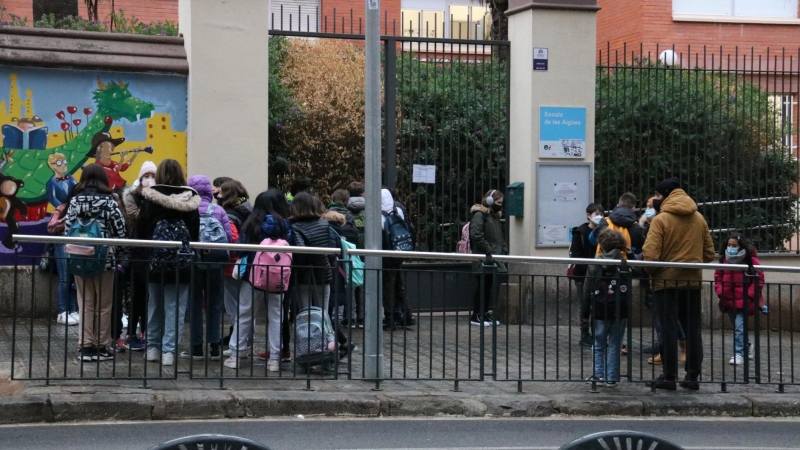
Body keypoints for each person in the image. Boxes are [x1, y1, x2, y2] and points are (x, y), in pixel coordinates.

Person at [643, 177, 715, 391]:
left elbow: (651, 254)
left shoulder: (661, 220)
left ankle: (669, 376)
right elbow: (709, 254)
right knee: (693, 331)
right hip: (692, 282)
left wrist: (654, 273)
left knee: (667, 330)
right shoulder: (699, 218)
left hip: (665, 283)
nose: (655, 199)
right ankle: (692, 377)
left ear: (666, 195)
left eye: (657, 195)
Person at [136, 159, 200, 367]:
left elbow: (142, 229)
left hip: (154, 261)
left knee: (154, 304)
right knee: (175, 307)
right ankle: (169, 352)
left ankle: (152, 348)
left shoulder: (150, 197)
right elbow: (194, 234)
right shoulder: (190, 198)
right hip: (181, 262)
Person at [62, 164, 127, 362]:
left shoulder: (75, 200)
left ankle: (85, 346)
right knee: (104, 304)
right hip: (104, 258)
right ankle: (101, 346)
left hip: (80, 257)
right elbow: (121, 230)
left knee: (85, 302)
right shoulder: (110, 201)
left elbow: (67, 230)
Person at [225, 189, 293, 371]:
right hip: (279, 277)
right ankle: (275, 360)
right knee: (276, 317)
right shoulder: (285, 225)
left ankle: (236, 356)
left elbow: (240, 249)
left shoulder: (252, 223)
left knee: (245, 314)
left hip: (253, 275)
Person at [182, 175, 233, 361]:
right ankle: (214, 347)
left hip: (194, 262)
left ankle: (196, 348)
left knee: (194, 303)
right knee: (215, 304)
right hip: (215, 262)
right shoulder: (218, 210)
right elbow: (228, 238)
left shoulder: (188, 209)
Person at [584, 229, 630, 388]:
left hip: (599, 309)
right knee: (615, 344)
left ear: (601, 246)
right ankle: (612, 378)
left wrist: (584, 313)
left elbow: (586, 290)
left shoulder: (594, 265)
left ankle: (598, 376)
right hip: (620, 310)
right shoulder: (625, 264)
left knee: (598, 344)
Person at [714, 233, 766, 366]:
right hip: (728, 300)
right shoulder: (723, 260)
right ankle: (747, 345)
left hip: (744, 300)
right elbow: (718, 277)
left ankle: (739, 354)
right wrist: (720, 291)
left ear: (741, 246)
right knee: (737, 326)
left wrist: (749, 295)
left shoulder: (751, 261)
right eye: (729, 245)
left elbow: (758, 279)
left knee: (739, 327)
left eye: (734, 245)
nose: (731, 248)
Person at [121, 161, 157, 352]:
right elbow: (136, 219)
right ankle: (132, 333)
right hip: (136, 251)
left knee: (150, 294)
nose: (149, 180)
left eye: (153, 176)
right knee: (136, 293)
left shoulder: (160, 197)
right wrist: (149, 199)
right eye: (146, 176)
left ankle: (146, 331)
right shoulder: (132, 197)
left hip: (153, 251)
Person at [218, 179, 252, 346]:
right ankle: (243, 339)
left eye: (221, 192)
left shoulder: (229, 214)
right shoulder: (249, 210)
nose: (218, 195)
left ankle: (239, 342)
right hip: (249, 264)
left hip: (233, 265)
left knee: (233, 306)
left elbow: (232, 240)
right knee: (245, 304)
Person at [467, 189, 508, 327]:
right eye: (498, 202)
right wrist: (488, 249)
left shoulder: (494, 216)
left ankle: (484, 313)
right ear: (490, 201)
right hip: (484, 258)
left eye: (501, 203)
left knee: (488, 286)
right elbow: (476, 234)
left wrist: (502, 250)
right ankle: (476, 315)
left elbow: (498, 237)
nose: (500, 205)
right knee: (482, 286)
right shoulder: (480, 215)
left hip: (492, 258)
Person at [569, 203, 604, 346]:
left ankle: (597, 333)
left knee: (597, 303)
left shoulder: (604, 231)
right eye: (596, 214)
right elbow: (576, 254)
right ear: (588, 216)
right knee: (585, 303)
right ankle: (585, 334)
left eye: (601, 214)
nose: (599, 217)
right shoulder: (580, 232)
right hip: (583, 274)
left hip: (598, 274)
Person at [380, 188, 416, 330]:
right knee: (398, 285)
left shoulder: (378, 215)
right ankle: (408, 315)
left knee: (388, 287)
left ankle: (389, 319)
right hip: (398, 252)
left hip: (386, 254)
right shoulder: (398, 211)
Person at [47, 184, 78, 327]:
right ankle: (62, 311)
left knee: (74, 279)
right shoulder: (62, 208)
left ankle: (73, 310)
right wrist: (68, 219)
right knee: (65, 278)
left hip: (78, 245)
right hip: (62, 245)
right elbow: (51, 227)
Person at [590, 192, 646, 258]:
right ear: (633, 208)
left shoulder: (604, 222)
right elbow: (640, 250)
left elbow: (592, 239)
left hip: (604, 264)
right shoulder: (637, 228)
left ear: (618, 205)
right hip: (625, 266)